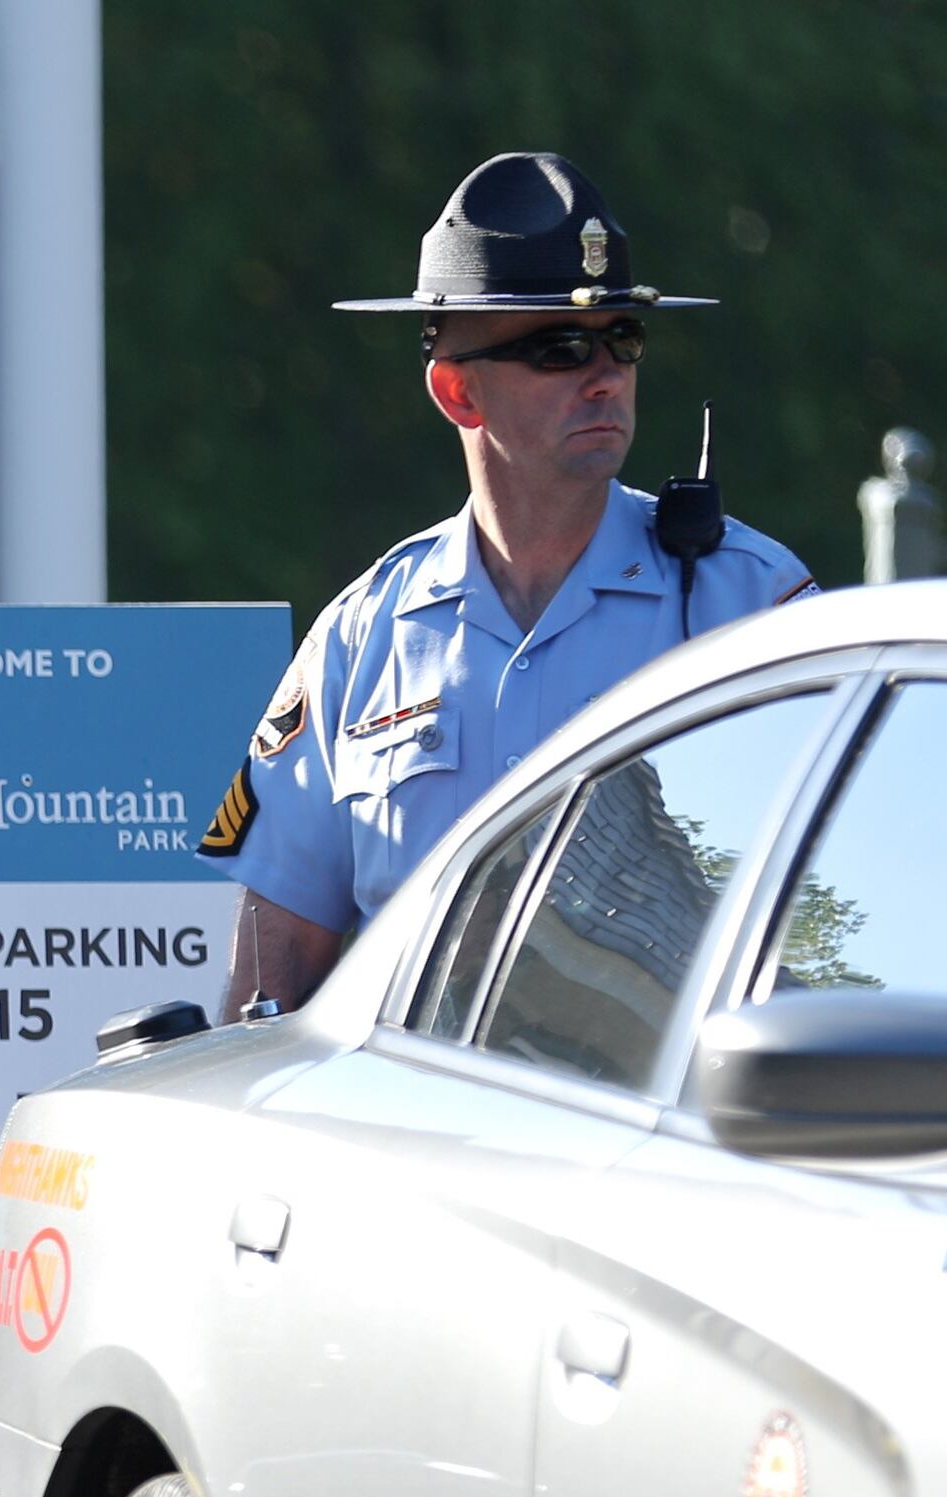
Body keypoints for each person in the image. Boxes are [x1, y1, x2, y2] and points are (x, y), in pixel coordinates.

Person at [207, 152, 814, 1012]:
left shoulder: (746, 605)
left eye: (623, 340)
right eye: (562, 347)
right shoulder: (361, 639)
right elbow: (267, 990)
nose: (606, 375)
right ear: (458, 392)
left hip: (669, 1128)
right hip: (421, 1131)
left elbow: (852, 903)